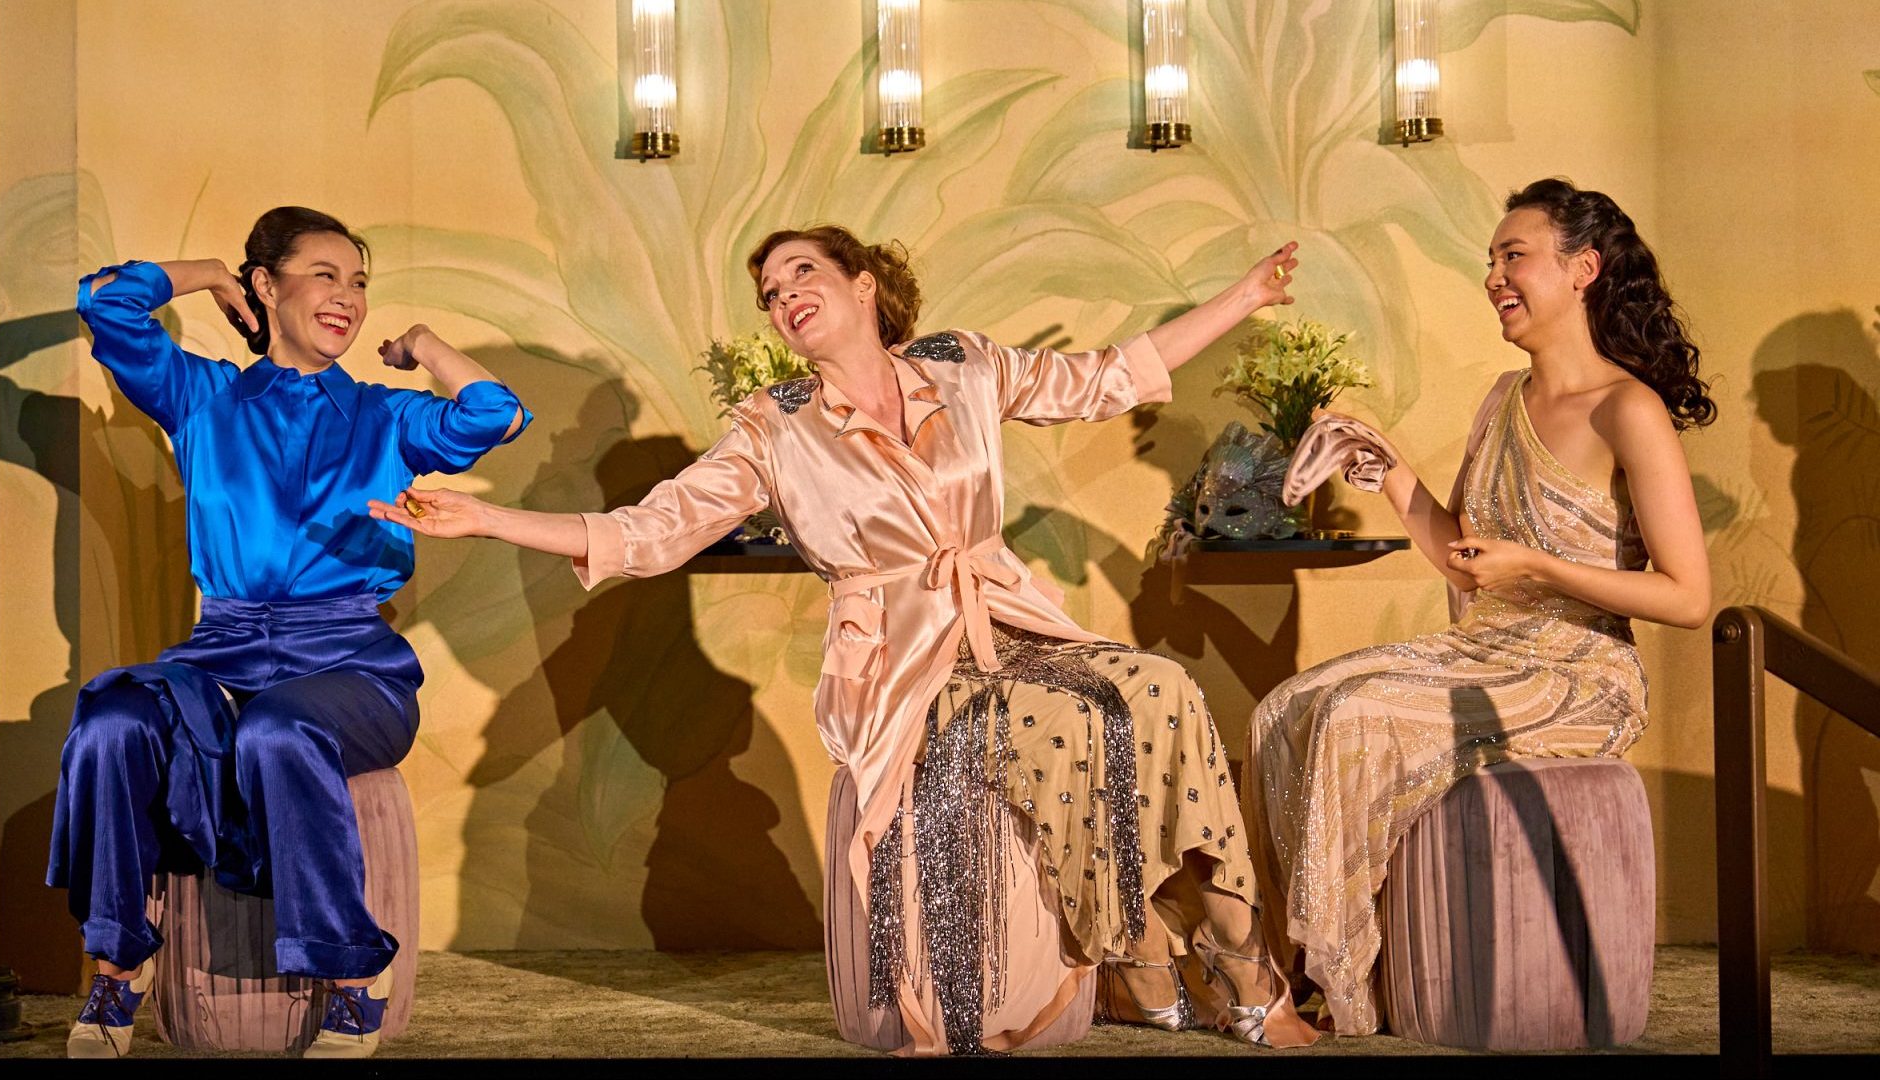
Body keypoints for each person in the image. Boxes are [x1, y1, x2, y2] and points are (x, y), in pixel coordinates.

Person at [368, 225, 1320, 1054]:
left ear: (864, 285)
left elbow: (1108, 378)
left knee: (1162, 688)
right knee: (1061, 721)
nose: (784, 299)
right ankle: (1143, 958)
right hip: (900, 667)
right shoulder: (771, 426)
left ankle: (1244, 972)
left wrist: (1245, 296)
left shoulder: (963, 362)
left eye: (799, 276)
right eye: (770, 295)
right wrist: (491, 522)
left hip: (1009, 618)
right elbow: (648, 532)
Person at [51, 206, 530, 1058]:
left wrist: (421, 343)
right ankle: (118, 968)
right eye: (323, 275)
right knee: (112, 721)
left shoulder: (386, 416)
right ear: (268, 287)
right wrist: (205, 273)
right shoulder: (200, 396)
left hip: (353, 664)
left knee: (280, 728)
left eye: (359, 283)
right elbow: (106, 304)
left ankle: (352, 982)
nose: (346, 297)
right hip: (222, 652)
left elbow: (495, 413)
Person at [1248, 178, 1714, 1035]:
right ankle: (1304, 966)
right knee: (1286, 710)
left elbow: (1687, 597)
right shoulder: (1502, 398)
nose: (1494, 275)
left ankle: (1343, 988)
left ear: (1583, 269)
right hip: (1484, 648)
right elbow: (1467, 565)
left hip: (1580, 673)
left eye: (1514, 256)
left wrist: (1538, 564)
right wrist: (1387, 469)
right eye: (1491, 260)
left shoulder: (1628, 409)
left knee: (1355, 715)